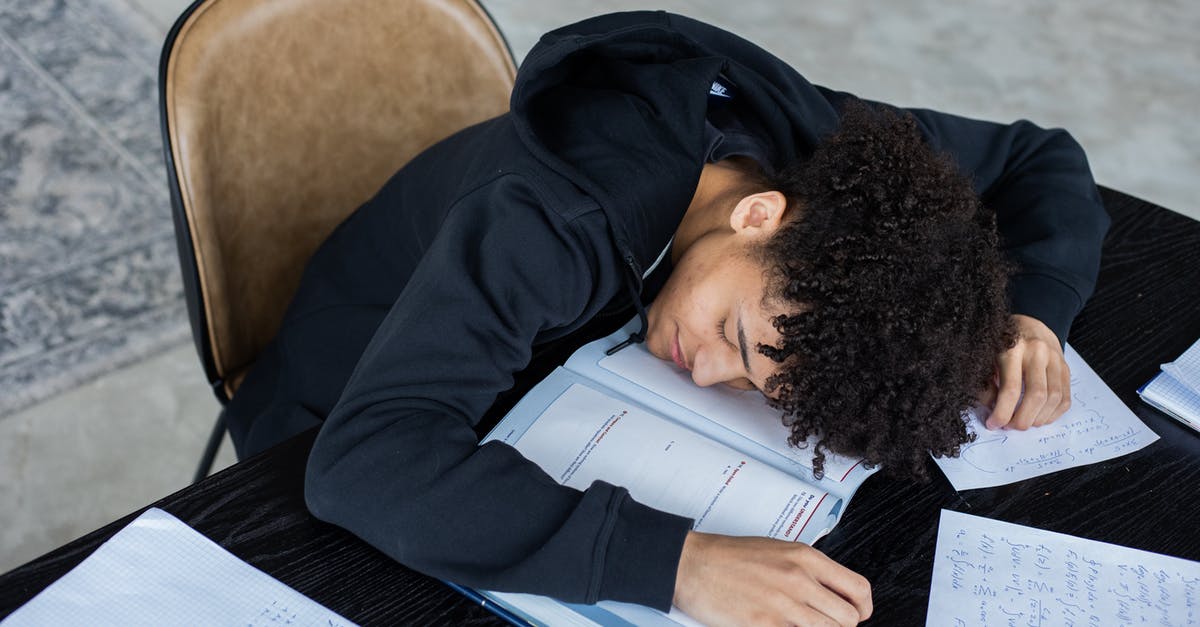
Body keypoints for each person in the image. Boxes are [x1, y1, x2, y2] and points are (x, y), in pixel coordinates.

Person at [222, 11, 1108, 625]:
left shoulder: (823, 169)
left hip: (542, 382)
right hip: (326, 408)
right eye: (738, 337)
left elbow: (1041, 160)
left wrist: (1031, 317)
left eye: (762, 387)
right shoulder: (547, 223)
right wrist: (682, 564)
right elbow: (362, 462)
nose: (710, 372)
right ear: (760, 215)